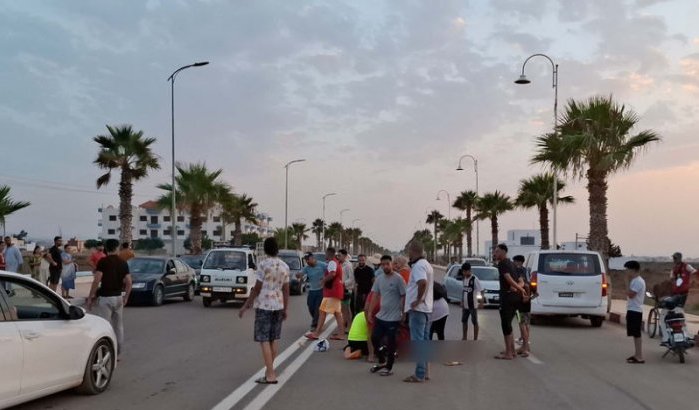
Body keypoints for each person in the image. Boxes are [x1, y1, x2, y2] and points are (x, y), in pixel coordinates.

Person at [239, 237, 290, 384]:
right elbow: (286, 290)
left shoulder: (263, 265)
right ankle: (269, 371)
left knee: (264, 340)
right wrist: (286, 308)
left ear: (265, 250)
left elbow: (257, 288)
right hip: (278, 305)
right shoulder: (284, 266)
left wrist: (246, 305)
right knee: (274, 339)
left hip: (264, 306)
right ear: (277, 249)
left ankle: (271, 374)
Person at [87, 239, 132, 355]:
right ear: (117, 248)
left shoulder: (103, 261)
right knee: (118, 326)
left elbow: (97, 280)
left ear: (106, 248)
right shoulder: (123, 263)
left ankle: (105, 352)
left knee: (104, 326)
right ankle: (118, 353)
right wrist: (126, 296)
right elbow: (129, 282)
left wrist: (91, 297)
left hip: (106, 297)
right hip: (118, 297)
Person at [367, 255, 406, 376]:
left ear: (392, 264)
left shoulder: (398, 279)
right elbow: (375, 295)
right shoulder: (379, 279)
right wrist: (370, 312)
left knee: (391, 342)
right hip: (381, 316)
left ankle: (388, 367)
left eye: (387, 264)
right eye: (382, 264)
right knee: (374, 338)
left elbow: (404, 296)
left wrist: (403, 313)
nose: (385, 266)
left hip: (394, 317)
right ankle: (382, 359)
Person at [403, 241, 434, 383]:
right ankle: (426, 371)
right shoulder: (427, 265)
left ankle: (419, 374)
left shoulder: (419, 266)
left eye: (409, 251)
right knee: (425, 341)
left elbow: (422, 283)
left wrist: (417, 300)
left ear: (413, 251)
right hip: (426, 309)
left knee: (418, 342)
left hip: (418, 310)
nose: (408, 254)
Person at [493, 244, 526, 361]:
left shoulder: (502, 264)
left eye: (496, 252)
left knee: (505, 326)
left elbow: (508, 278)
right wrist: (518, 288)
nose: (494, 254)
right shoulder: (511, 264)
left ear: (503, 252)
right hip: (515, 299)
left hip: (508, 299)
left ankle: (508, 353)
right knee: (509, 325)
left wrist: (518, 288)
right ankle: (512, 351)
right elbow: (520, 281)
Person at [305, 247, 345, 340]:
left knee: (322, 311)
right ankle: (341, 334)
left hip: (332, 292)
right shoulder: (335, 262)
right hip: (336, 291)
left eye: (326, 253)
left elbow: (332, 274)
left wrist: (324, 280)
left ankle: (316, 333)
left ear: (329, 254)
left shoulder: (332, 262)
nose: (325, 255)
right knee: (337, 313)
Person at [625, 260, 645, 364]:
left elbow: (631, 294)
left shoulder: (637, 281)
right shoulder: (635, 280)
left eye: (628, 269)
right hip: (632, 309)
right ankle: (637, 354)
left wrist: (627, 282)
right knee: (634, 333)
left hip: (635, 310)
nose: (627, 272)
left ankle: (640, 356)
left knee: (637, 334)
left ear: (633, 270)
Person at [302, 252, 327, 330]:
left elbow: (330, 272)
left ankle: (314, 324)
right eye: (306, 260)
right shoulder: (307, 267)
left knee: (317, 308)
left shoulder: (322, 265)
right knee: (310, 306)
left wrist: (325, 279)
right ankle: (318, 320)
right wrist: (298, 275)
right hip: (312, 290)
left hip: (321, 290)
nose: (307, 262)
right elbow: (301, 273)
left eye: (308, 260)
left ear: (312, 258)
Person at [513, 255, 531, 357]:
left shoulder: (518, 271)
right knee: (526, 324)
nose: (513, 263)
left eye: (514, 261)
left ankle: (525, 348)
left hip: (521, 299)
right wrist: (528, 297)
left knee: (522, 324)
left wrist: (524, 295)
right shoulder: (526, 270)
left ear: (519, 262)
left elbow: (525, 285)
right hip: (527, 300)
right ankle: (526, 346)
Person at [461, 262, 483, 341]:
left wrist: (481, 302)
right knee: (464, 321)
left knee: (474, 322)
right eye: (463, 271)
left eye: (465, 271)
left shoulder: (474, 279)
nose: (464, 273)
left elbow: (481, 290)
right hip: (465, 305)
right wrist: (462, 301)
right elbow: (464, 291)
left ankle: (475, 339)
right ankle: (464, 337)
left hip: (473, 305)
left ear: (469, 270)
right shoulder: (464, 279)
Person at [339, 249, 354, 329]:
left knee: (346, 309)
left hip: (346, 290)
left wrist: (343, 283)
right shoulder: (340, 264)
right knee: (342, 308)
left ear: (345, 256)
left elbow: (351, 279)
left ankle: (349, 326)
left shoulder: (348, 265)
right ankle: (345, 324)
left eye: (340, 255)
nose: (338, 257)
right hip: (340, 289)